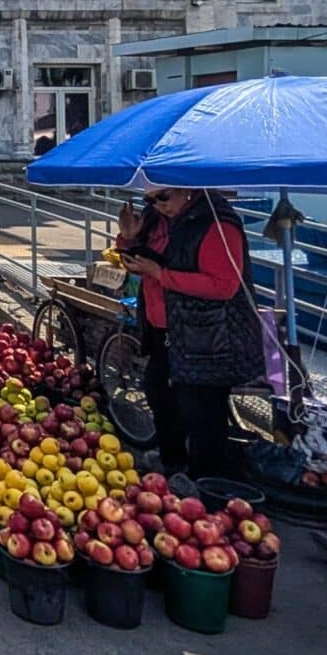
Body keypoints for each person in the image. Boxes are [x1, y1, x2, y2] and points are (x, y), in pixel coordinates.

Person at [116, 187, 265, 479]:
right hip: (164, 327)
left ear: (187, 189)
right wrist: (129, 238)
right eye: (150, 199)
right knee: (160, 394)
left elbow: (224, 285)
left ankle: (206, 483)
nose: (158, 206)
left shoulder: (216, 223)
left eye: (163, 197)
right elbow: (137, 264)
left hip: (206, 335)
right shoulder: (155, 220)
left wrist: (161, 275)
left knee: (202, 410)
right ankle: (173, 463)